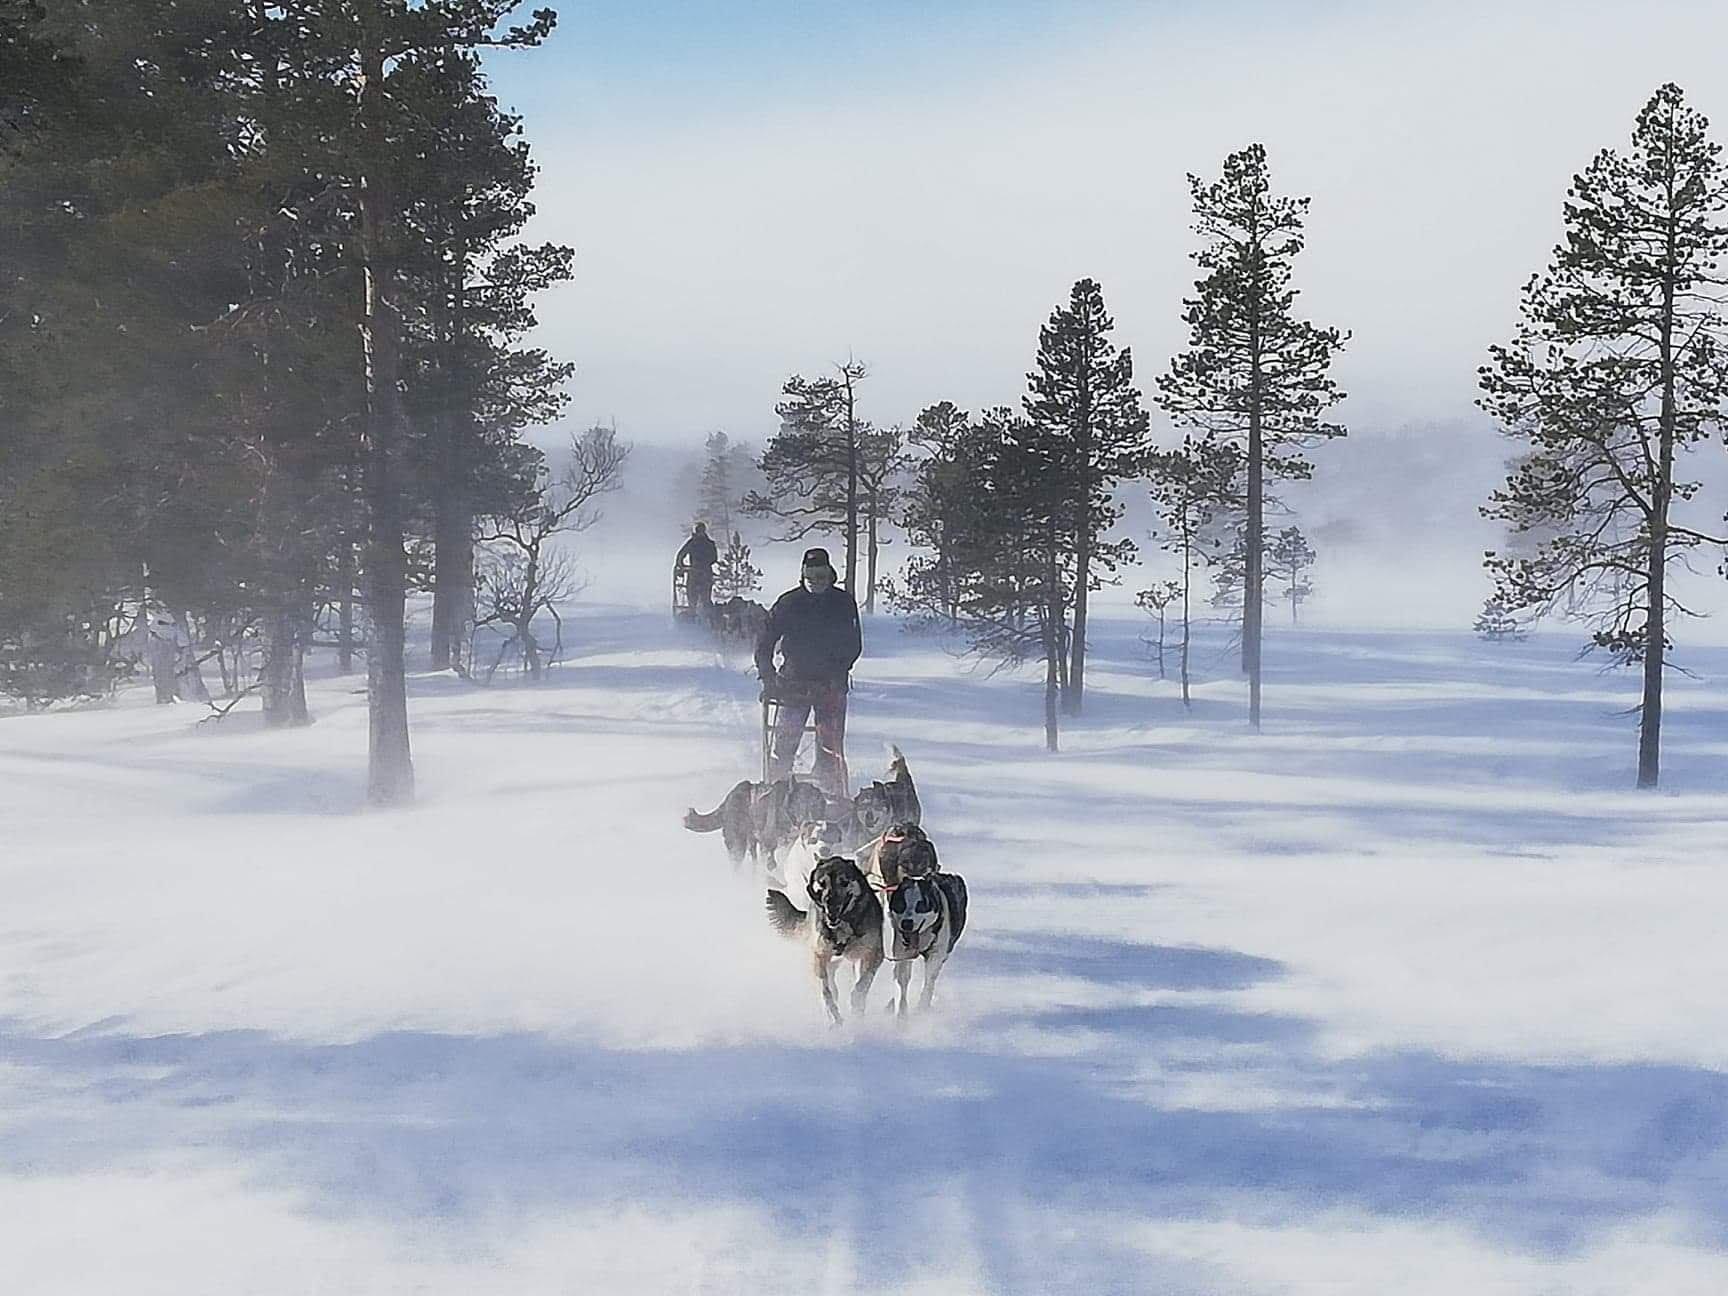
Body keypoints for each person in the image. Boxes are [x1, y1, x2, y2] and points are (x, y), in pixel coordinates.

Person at [755, 546, 862, 797]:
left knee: (830, 745)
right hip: (793, 682)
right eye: (811, 577)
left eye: (822, 577)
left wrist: (838, 673)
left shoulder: (842, 602)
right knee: (785, 741)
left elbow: (853, 644)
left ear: (830, 574)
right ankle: (776, 792)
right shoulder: (789, 603)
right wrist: (768, 675)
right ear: (803, 575)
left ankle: (830, 794)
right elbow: (764, 640)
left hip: (830, 684)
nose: (817, 582)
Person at [675, 522, 719, 611]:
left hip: (696, 572)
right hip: (703, 573)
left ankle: (696, 615)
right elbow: (714, 558)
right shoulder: (708, 543)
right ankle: (699, 615)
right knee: (702, 599)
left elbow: (681, 555)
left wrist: (681, 565)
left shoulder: (693, 542)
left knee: (696, 598)